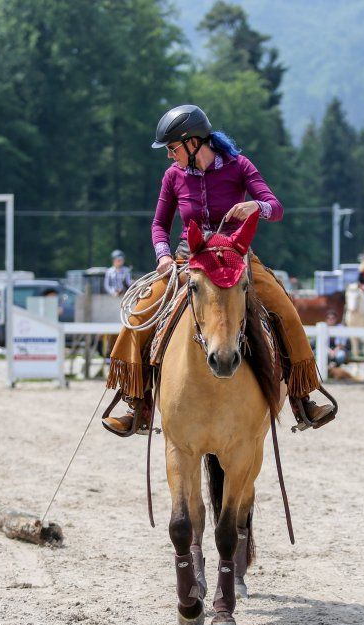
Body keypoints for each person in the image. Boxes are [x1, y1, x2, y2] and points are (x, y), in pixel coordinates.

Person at [102, 104, 335, 434]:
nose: (169, 155)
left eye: (172, 148)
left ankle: (302, 397)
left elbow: (276, 208)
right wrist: (164, 256)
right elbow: (159, 225)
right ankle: (135, 403)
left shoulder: (240, 166)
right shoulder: (173, 176)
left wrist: (256, 205)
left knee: (285, 309)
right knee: (140, 315)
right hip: (188, 258)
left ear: (192, 142)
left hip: (236, 256)